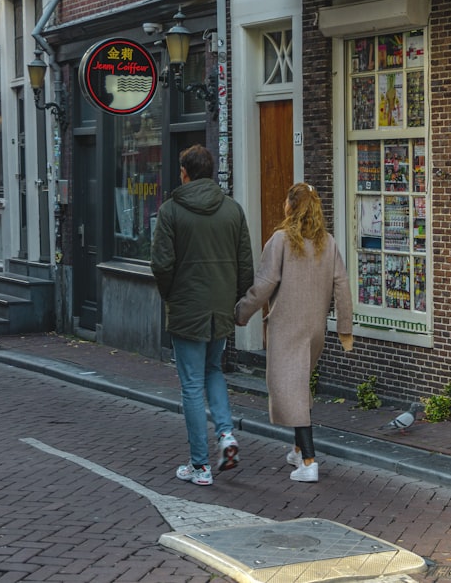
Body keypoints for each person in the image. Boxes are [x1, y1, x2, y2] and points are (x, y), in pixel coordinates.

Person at [235, 183, 354, 483]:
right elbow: (342, 285)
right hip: (315, 330)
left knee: (289, 388)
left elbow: (264, 283)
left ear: (291, 206)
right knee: (300, 385)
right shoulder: (328, 243)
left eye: (287, 201)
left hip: (287, 329)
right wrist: (344, 328)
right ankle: (298, 450)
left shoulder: (281, 241)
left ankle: (310, 462)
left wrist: (241, 312)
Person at [151, 144, 254, 486]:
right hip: (220, 308)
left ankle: (200, 466)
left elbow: (162, 264)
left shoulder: (170, 211)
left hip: (186, 308)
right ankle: (226, 435)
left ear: (185, 173)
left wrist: (172, 295)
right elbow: (245, 267)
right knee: (213, 372)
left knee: (191, 385)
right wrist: (234, 297)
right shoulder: (233, 211)